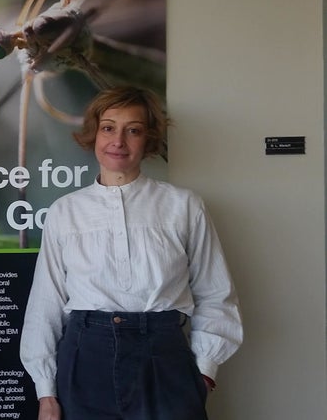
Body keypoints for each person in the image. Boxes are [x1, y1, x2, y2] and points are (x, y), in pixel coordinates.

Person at [20, 86, 243, 420]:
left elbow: (216, 294)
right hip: (84, 361)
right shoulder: (65, 212)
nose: (118, 141)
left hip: (165, 358)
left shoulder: (184, 206)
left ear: (148, 138)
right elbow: (45, 305)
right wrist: (46, 393)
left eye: (133, 130)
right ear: (94, 133)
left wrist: (204, 374)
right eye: (109, 127)